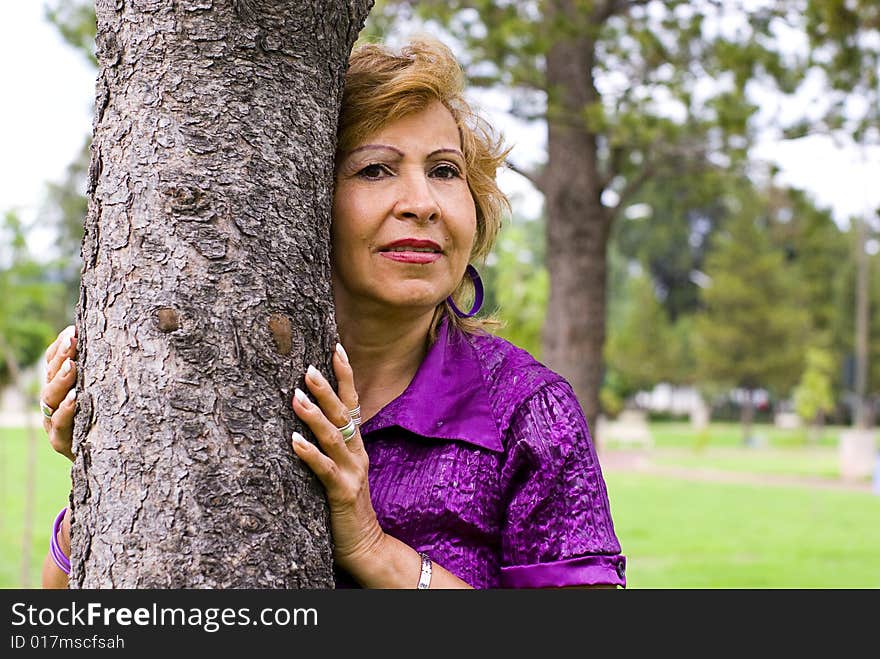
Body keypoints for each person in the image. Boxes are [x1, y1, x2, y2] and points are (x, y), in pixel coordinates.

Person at [39, 37, 626, 590]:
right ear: (302, 197)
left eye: (445, 171)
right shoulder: (219, 374)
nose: (422, 204)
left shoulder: (525, 412)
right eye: (376, 169)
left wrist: (374, 548)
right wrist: (107, 474)